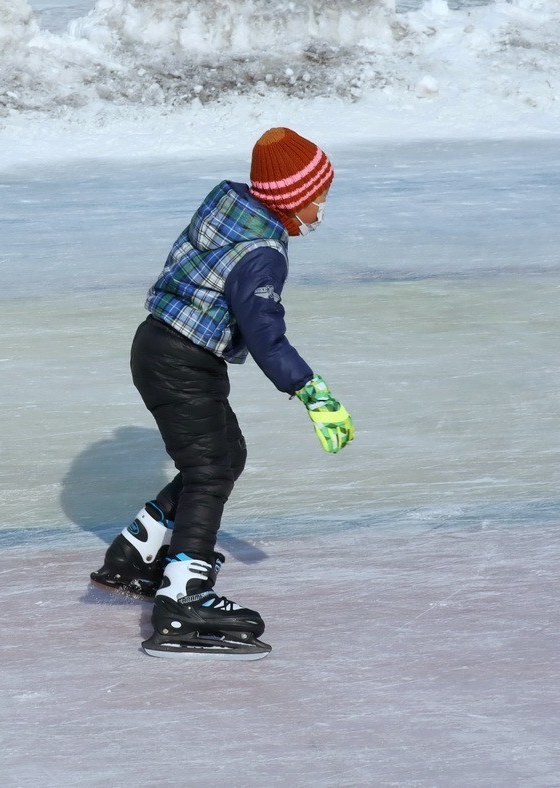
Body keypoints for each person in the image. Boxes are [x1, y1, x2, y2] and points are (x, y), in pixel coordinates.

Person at [90, 127, 354, 660]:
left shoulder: (230, 211)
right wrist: (310, 390)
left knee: (221, 456)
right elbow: (263, 331)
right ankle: (183, 598)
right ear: (289, 199)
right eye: (316, 201)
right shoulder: (261, 253)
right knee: (211, 468)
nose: (321, 215)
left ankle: (135, 554)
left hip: (161, 345)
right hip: (182, 360)